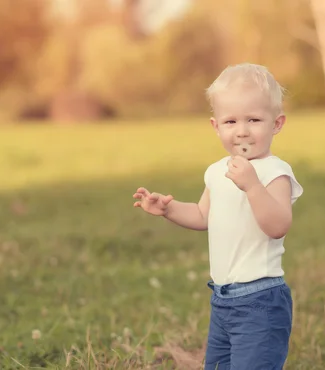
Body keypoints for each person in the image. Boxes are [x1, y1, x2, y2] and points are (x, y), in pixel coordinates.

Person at [132, 63, 304, 370]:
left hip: (260, 300)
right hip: (222, 300)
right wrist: (168, 209)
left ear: (276, 123)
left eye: (254, 119)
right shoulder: (216, 171)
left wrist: (252, 185)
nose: (242, 130)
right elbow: (202, 215)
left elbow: (278, 225)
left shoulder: (274, 172)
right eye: (230, 121)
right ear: (216, 126)